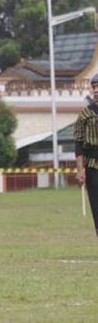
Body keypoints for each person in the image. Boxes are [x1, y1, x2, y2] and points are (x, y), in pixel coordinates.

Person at [74, 73, 98, 237]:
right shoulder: (85, 114)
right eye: (94, 87)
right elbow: (78, 143)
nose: (96, 90)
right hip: (93, 165)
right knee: (97, 208)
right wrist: (80, 170)